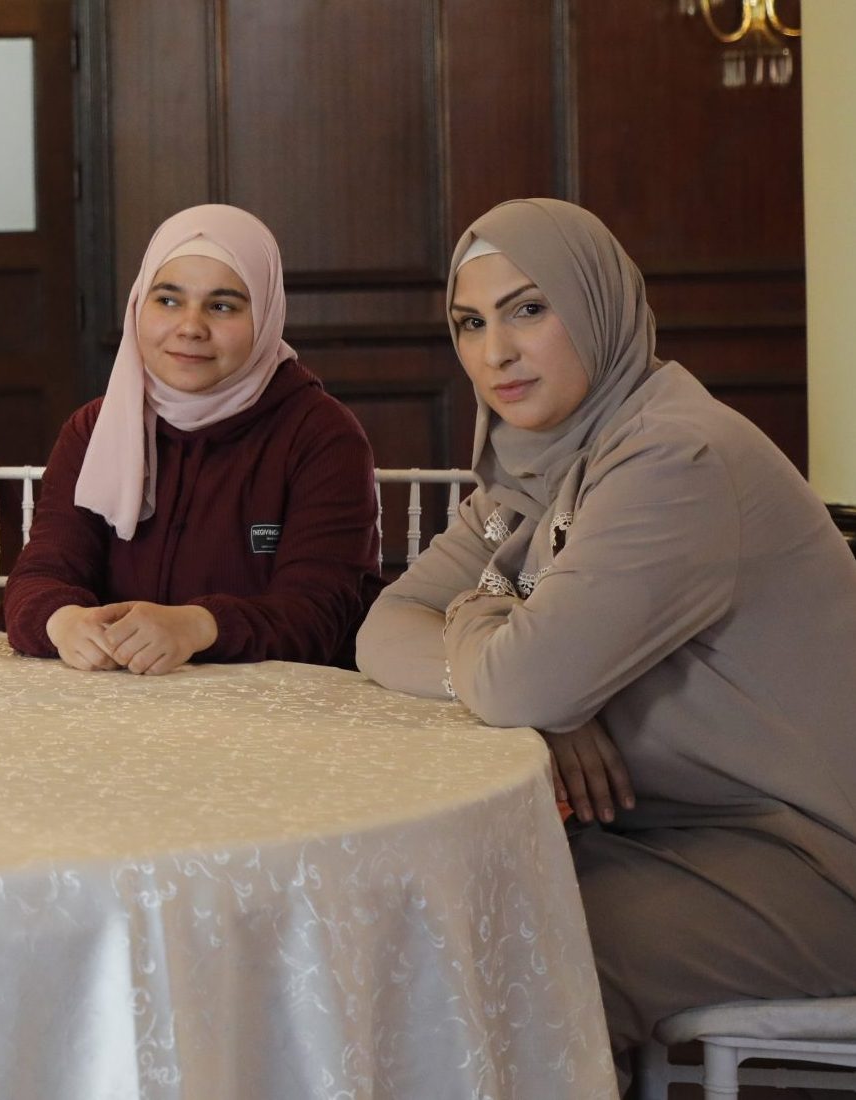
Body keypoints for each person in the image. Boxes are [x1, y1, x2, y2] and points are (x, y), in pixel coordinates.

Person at [356, 198, 856, 1072]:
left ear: (597, 304)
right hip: (658, 835)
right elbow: (384, 627)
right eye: (469, 323)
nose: (494, 352)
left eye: (528, 308)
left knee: (484, 958)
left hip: (807, 861)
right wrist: (539, 684)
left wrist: (492, 624)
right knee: (422, 913)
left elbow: (517, 681)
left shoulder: (673, 457)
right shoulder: (531, 468)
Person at [4, 204, 380, 673]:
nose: (190, 327)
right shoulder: (94, 428)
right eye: (167, 300)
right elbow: (40, 575)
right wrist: (63, 622)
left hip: (273, 720)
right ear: (139, 305)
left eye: (222, 306)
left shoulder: (322, 436)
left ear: (265, 315)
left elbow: (319, 615)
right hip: (118, 711)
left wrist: (199, 627)